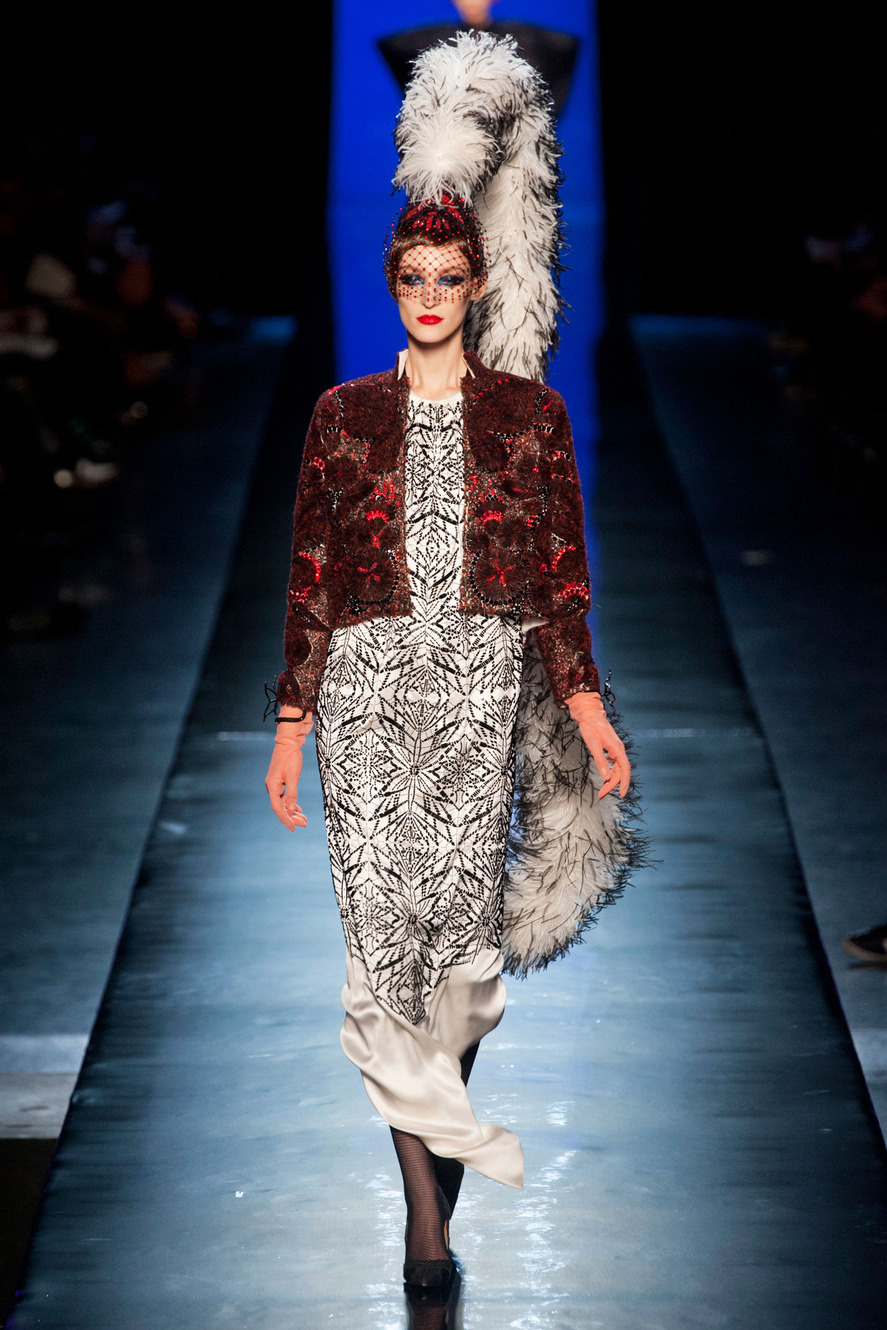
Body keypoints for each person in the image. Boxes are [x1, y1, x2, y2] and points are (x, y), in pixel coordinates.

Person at [264, 34, 640, 1295]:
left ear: (476, 285)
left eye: (447, 276)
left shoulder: (532, 420)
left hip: (480, 684)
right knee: (384, 957)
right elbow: (311, 575)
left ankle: (437, 1170)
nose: (428, 293)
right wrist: (289, 723)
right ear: (391, 284)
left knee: (463, 966)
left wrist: (585, 708)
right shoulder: (341, 416)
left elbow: (560, 575)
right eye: (410, 276)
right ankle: (426, 1218)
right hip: (365, 697)